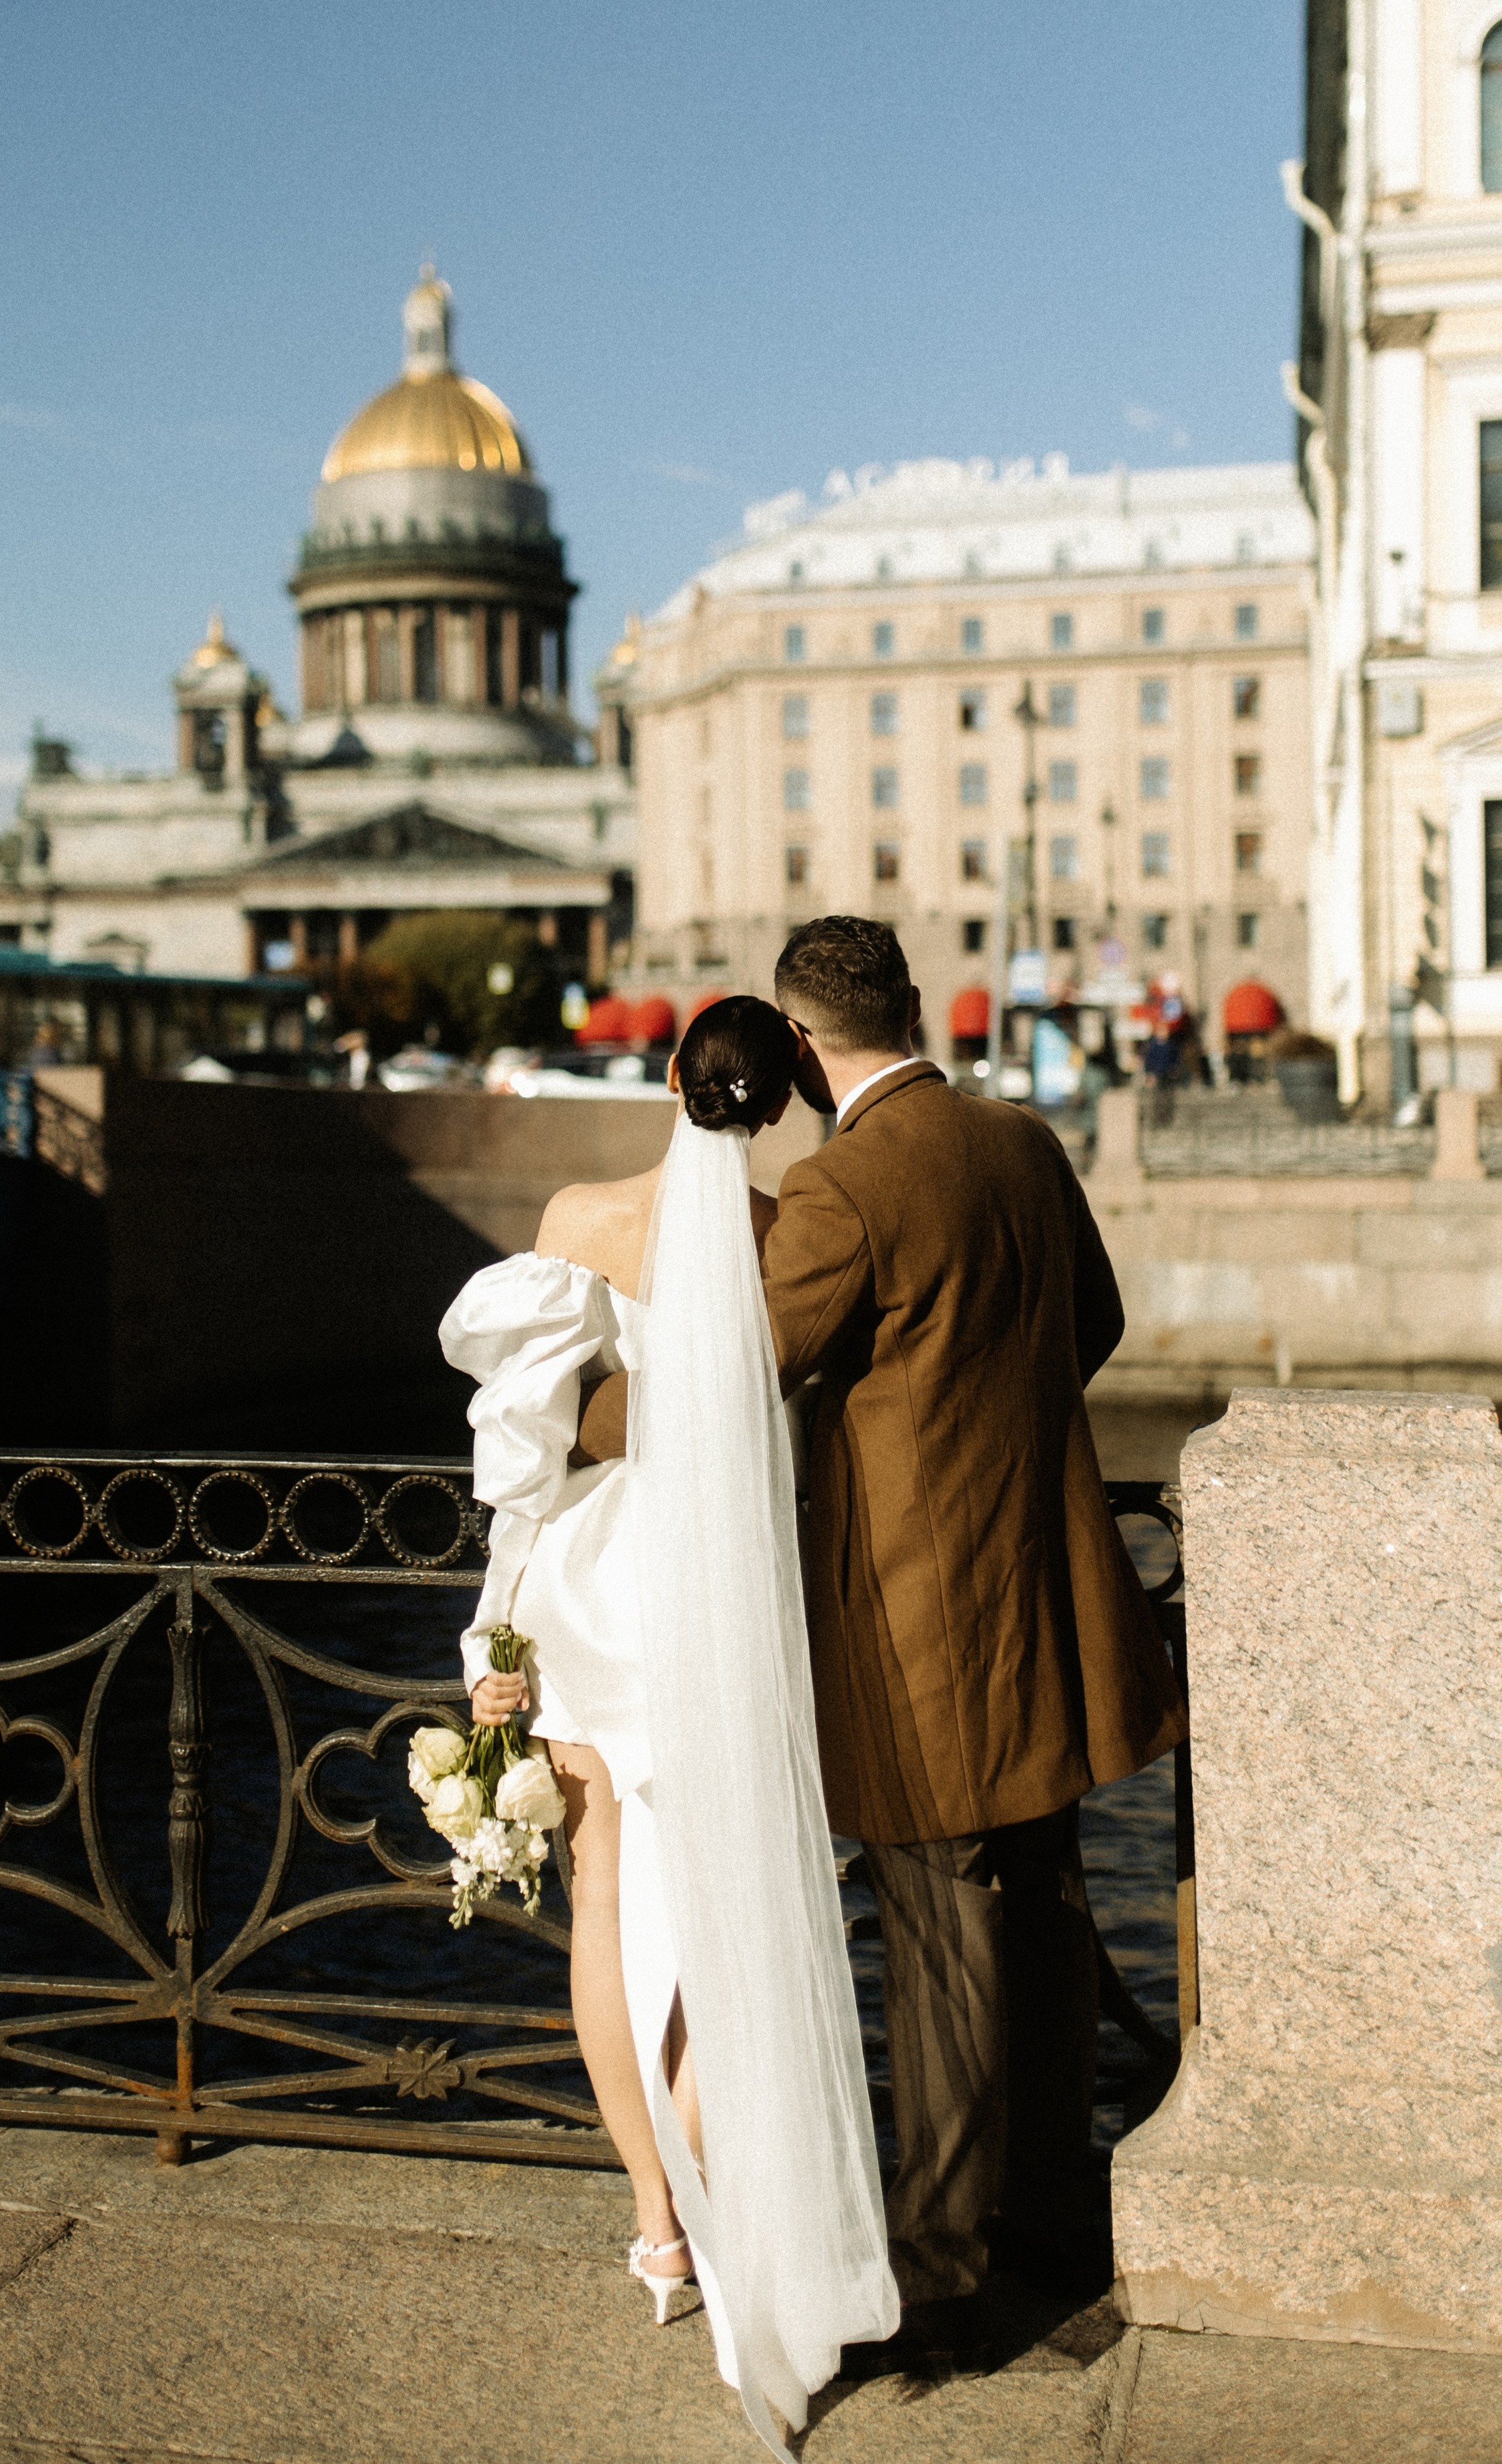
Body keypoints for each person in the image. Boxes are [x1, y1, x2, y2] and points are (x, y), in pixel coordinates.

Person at [574, 918, 1188, 2366]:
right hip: (1049, 1586)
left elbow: (723, 1375)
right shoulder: (1020, 1142)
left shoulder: (842, 1185)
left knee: (941, 1943)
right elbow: (1089, 1318)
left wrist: (569, 1419)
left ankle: (952, 2271)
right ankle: (1047, 2228)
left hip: (924, 1632)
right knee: (1037, 1918)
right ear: (908, 1006)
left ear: (795, 1045)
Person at [438, 995, 897, 2459]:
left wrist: (489, 1636)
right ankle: (715, 2200)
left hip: (587, 1581)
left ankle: (652, 2223)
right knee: (723, 1923)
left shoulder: (579, 1213)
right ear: (772, 1110)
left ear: (664, 1079)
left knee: (600, 1899)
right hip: (720, 1599)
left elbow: (518, 1451)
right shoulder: (779, 1236)